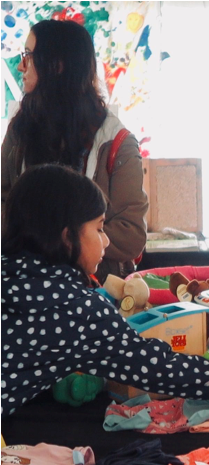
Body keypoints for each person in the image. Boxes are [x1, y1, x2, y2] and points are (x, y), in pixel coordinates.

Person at [1, 165, 209, 418]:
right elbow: (158, 368)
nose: (106, 240)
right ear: (66, 237)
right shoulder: (76, 310)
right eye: (98, 228)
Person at [0, 20, 148, 284]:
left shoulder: (115, 140)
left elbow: (131, 235)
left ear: (57, 65)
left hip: (94, 294)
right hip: (23, 290)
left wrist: (49, 239)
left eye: (28, 56)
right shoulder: (20, 130)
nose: (21, 66)